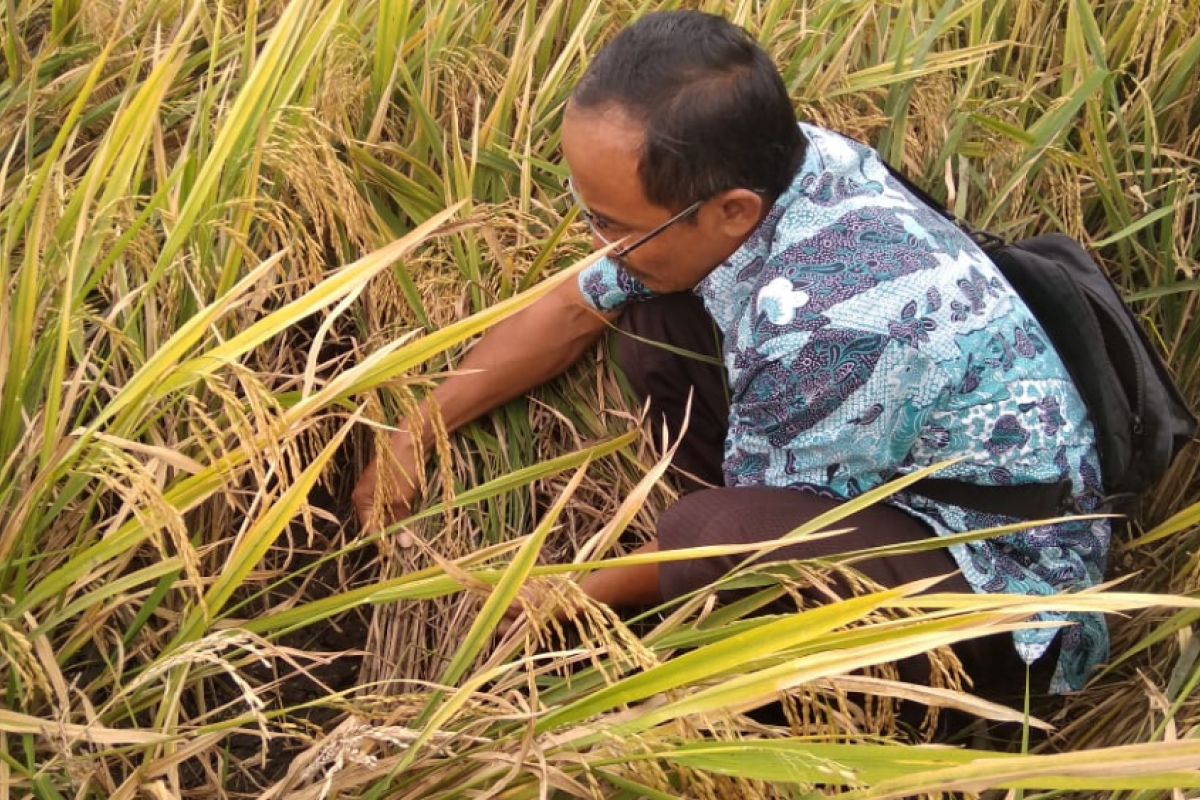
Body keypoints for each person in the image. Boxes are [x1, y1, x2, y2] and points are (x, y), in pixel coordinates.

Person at [352, 10, 1109, 700]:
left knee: (708, 532)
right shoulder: (770, 164)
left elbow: (743, 537)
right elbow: (574, 304)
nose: (597, 243)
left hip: (1000, 590)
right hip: (877, 455)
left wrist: (550, 594)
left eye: (612, 225)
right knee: (651, 315)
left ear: (732, 210)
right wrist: (417, 431)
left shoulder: (828, 332)